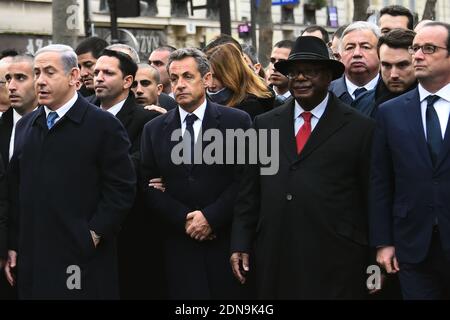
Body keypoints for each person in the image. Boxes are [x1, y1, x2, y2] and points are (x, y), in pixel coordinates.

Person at [230, 36, 375, 299]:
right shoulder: (264, 124)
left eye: (311, 71)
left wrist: (374, 258)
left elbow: (371, 198)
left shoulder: (360, 127)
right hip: (275, 253)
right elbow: (249, 191)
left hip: (335, 258)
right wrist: (240, 241)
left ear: (329, 77)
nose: (300, 78)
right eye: (295, 72)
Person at [3, 44, 136, 299]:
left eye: (49, 72)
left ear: (74, 77)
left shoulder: (103, 125)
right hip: (34, 257)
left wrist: (93, 234)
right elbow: (16, 188)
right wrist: (13, 244)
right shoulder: (26, 126)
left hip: (81, 259)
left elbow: (122, 188)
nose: (40, 81)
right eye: (37, 72)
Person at [140, 47, 252, 299]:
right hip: (178, 246)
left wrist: (211, 217)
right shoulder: (154, 129)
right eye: (174, 78)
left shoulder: (238, 121)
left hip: (224, 242)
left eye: (188, 77)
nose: (179, 85)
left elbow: (246, 180)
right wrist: (185, 219)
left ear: (207, 79)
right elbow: (147, 186)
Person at [370, 22, 450, 300]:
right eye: (416, 48)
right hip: (413, 246)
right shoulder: (390, 112)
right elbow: (381, 182)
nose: (418, 55)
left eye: (429, 49)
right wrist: (383, 242)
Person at [354, 28, 417, 118]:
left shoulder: (431, 104)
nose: (393, 74)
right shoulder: (362, 102)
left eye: (402, 65)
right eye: (387, 65)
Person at [206, 43, 274, 119]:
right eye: (207, 77)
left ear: (231, 74)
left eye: (216, 77)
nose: (210, 84)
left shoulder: (250, 106)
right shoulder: (204, 103)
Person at [329, 21, 381, 105]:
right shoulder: (324, 95)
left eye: (365, 47)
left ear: (380, 52)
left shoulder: (394, 92)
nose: (357, 53)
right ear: (340, 55)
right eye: (350, 48)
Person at [0, 55, 39, 166]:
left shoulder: (53, 123)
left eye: (20, 78)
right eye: (8, 79)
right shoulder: (3, 124)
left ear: (37, 80)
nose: (11, 86)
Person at [267, 40, 294, 106]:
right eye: (272, 61)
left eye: (281, 62)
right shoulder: (258, 98)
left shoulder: (303, 102)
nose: (274, 67)